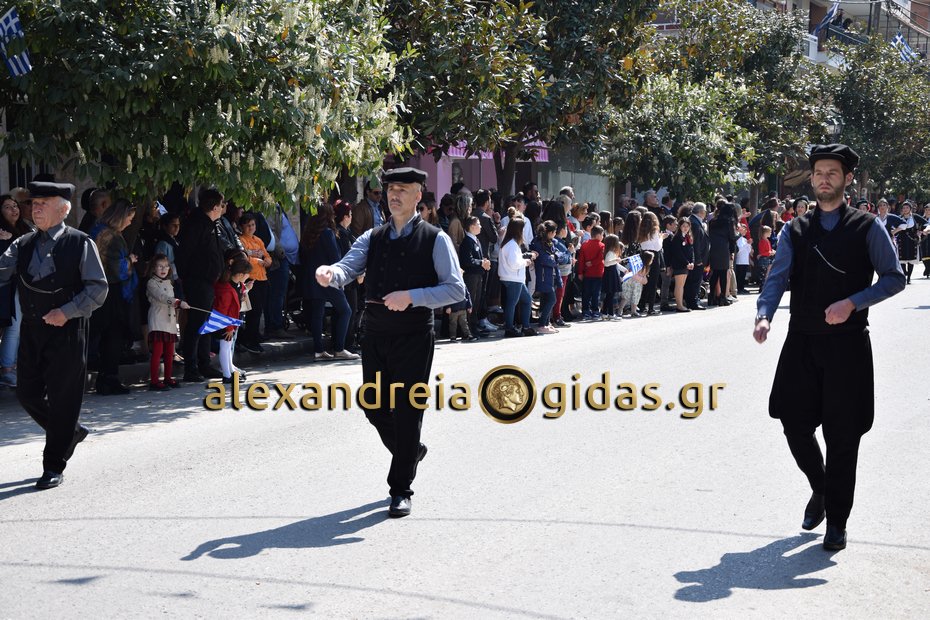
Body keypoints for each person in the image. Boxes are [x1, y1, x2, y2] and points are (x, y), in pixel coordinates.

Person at [753, 144, 905, 551]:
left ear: (847, 179)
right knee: (792, 422)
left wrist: (853, 302)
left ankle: (837, 521)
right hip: (802, 340)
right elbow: (777, 277)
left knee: (843, 436)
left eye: (832, 173)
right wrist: (764, 315)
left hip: (847, 346)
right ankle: (820, 487)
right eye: (819, 172)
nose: (824, 179)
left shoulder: (867, 227)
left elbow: (894, 278)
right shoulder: (795, 229)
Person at [315, 167, 466, 518]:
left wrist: (412, 296)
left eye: (403, 189)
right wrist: (331, 273)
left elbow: (455, 289)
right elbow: (348, 267)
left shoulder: (435, 239)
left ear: (418, 196)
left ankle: (400, 489)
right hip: (375, 332)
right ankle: (410, 451)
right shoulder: (373, 236)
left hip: (413, 334)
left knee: (407, 409)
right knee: (372, 403)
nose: (394, 194)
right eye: (391, 189)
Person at [0, 181, 108, 489]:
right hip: (32, 330)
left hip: (68, 330)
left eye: (43, 203)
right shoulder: (22, 244)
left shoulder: (80, 243)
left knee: (63, 400)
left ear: (63, 210)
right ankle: (69, 431)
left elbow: (98, 289)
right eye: (33, 204)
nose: (35, 209)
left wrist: (67, 311)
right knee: (27, 393)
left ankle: (53, 465)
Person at [176, 188, 226, 382]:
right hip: (197, 280)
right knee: (196, 324)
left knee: (206, 324)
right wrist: (188, 277)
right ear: (214, 207)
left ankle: (204, 364)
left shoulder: (211, 223)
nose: (223, 208)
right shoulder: (197, 224)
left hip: (208, 281)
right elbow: (185, 253)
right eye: (221, 205)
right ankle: (191, 367)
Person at [90, 199, 139, 395]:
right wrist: (130, 260)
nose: (130, 222)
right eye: (129, 218)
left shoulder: (101, 231)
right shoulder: (109, 236)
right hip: (111, 293)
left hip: (101, 291)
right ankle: (108, 379)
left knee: (107, 337)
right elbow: (115, 268)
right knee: (112, 336)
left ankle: (106, 378)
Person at [301, 203, 360, 361]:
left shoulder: (308, 233)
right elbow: (335, 257)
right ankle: (339, 349)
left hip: (312, 278)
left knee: (317, 314)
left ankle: (318, 351)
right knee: (346, 310)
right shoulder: (328, 233)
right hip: (328, 277)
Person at [0, 194, 34, 387]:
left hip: (25, 286)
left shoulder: (26, 229)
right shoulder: (2, 232)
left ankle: (16, 367)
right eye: (7, 207)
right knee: (13, 328)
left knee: (21, 328)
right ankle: (7, 369)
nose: (14, 209)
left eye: (15, 206)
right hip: (8, 287)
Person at [146, 254, 189, 390]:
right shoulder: (151, 283)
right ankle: (154, 381)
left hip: (169, 321)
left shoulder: (169, 283)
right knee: (158, 352)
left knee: (170, 352)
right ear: (153, 268)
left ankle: (168, 378)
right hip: (158, 320)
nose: (163, 269)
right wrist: (178, 302)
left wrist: (178, 304)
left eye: (166, 266)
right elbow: (162, 297)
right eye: (160, 266)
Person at [237, 213, 272, 353]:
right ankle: (250, 340)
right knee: (252, 311)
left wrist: (266, 261)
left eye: (253, 225)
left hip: (262, 278)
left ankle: (254, 335)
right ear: (242, 227)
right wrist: (258, 260)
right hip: (250, 279)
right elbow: (244, 258)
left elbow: (267, 256)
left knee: (258, 310)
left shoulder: (258, 240)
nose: (251, 227)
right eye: (248, 225)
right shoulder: (241, 240)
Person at [498, 213, 537, 338]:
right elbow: (514, 263)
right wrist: (526, 262)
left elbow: (514, 260)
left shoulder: (510, 243)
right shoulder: (512, 244)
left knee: (526, 300)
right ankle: (510, 328)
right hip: (513, 278)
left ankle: (525, 327)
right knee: (512, 303)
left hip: (514, 278)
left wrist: (525, 258)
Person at [530, 220, 561, 333]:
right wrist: (554, 259)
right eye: (554, 232)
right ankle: (542, 324)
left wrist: (555, 257)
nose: (555, 234)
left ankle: (546, 323)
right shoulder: (538, 243)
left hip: (549, 274)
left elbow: (557, 254)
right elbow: (546, 259)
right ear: (549, 232)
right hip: (542, 275)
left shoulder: (549, 242)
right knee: (552, 299)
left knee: (546, 300)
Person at [665, 218, 695, 312]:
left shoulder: (688, 236)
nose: (685, 228)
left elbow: (691, 251)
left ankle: (680, 304)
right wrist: (687, 263)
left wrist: (692, 262)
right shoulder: (677, 238)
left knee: (682, 285)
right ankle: (679, 305)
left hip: (686, 265)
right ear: (680, 227)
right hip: (679, 264)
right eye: (683, 226)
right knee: (679, 285)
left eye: (687, 226)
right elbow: (678, 253)